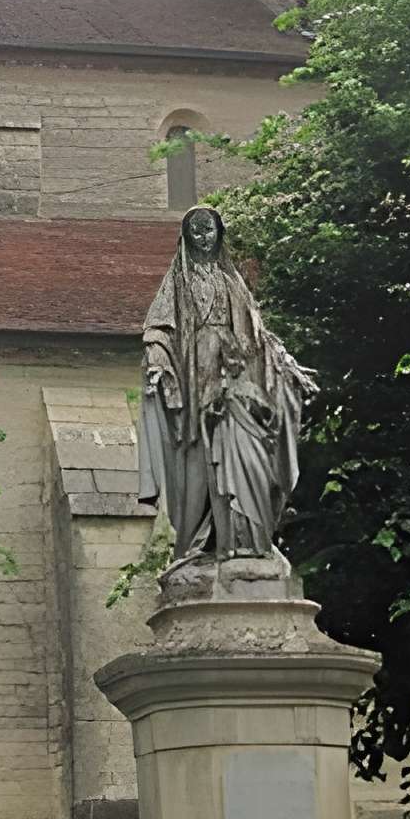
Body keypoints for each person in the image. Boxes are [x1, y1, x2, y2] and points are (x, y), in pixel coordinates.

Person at [138, 205, 316, 561]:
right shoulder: (178, 282)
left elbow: (261, 337)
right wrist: (158, 362)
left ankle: (243, 533)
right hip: (195, 371)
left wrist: (288, 366)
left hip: (233, 374)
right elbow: (158, 329)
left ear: (219, 233)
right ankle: (199, 538)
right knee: (199, 454)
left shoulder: (232, 282)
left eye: (209, 230)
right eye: (196, 231)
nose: (204, 237)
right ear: (186, 237)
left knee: (239, 446)